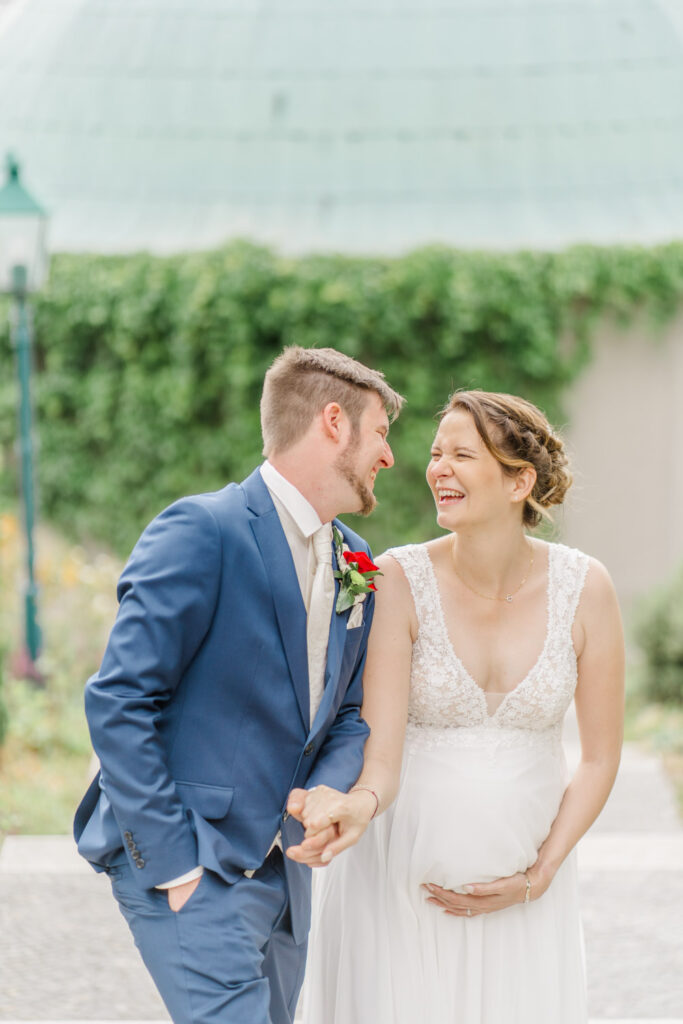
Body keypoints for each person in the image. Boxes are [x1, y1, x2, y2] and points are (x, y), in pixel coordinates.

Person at [73, 345, 403, 1024]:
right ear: (333, 422)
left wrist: (323, 796)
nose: (389, 457)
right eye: (380, 433)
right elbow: (118, 700)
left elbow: (345, 711)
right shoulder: (204, 529)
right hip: (194, 868)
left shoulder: (355, 559)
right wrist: (175, 868)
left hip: (285, 878)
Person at [296, 390, 624, 1024]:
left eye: (462, 455)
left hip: (527, 901)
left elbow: (600, 758)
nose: (437, 468)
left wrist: (540, 874)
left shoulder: (587, 589)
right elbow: (381, 751)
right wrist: (352, 805)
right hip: (396, 891)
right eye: (435, 453)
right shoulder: (396, 579)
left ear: (519, 482)